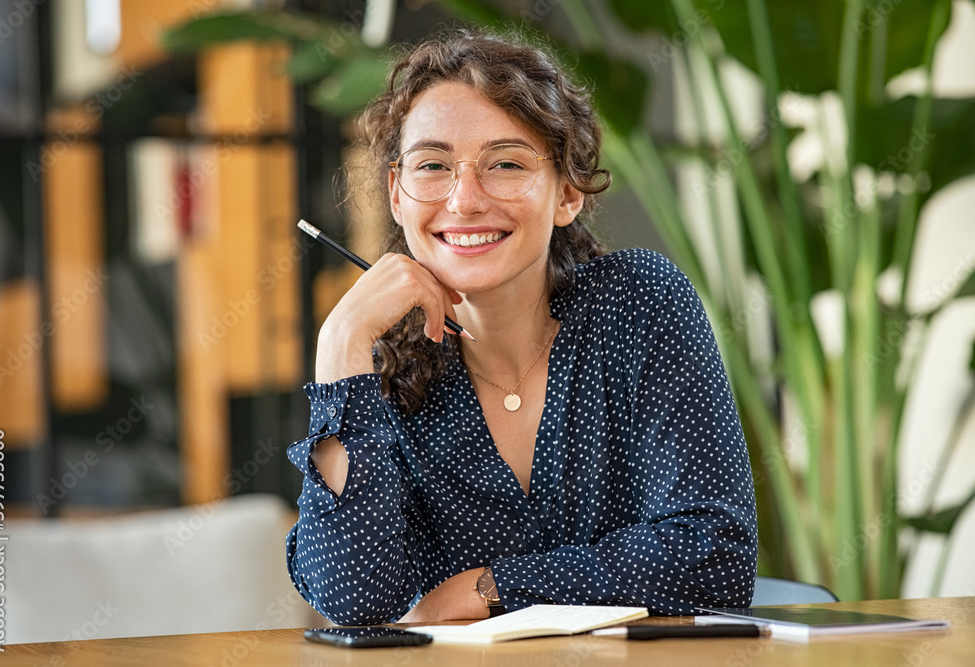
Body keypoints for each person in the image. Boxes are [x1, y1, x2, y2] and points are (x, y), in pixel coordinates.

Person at [285, 30, 757, 626]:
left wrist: (488, 587)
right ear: (397, 196)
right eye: (433, 166)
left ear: (566, 192)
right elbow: (353, 600)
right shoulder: (370, 372)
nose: (464, 199)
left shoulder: (637, 303)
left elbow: (716, 557)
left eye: (506, 163)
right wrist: (340, 344)